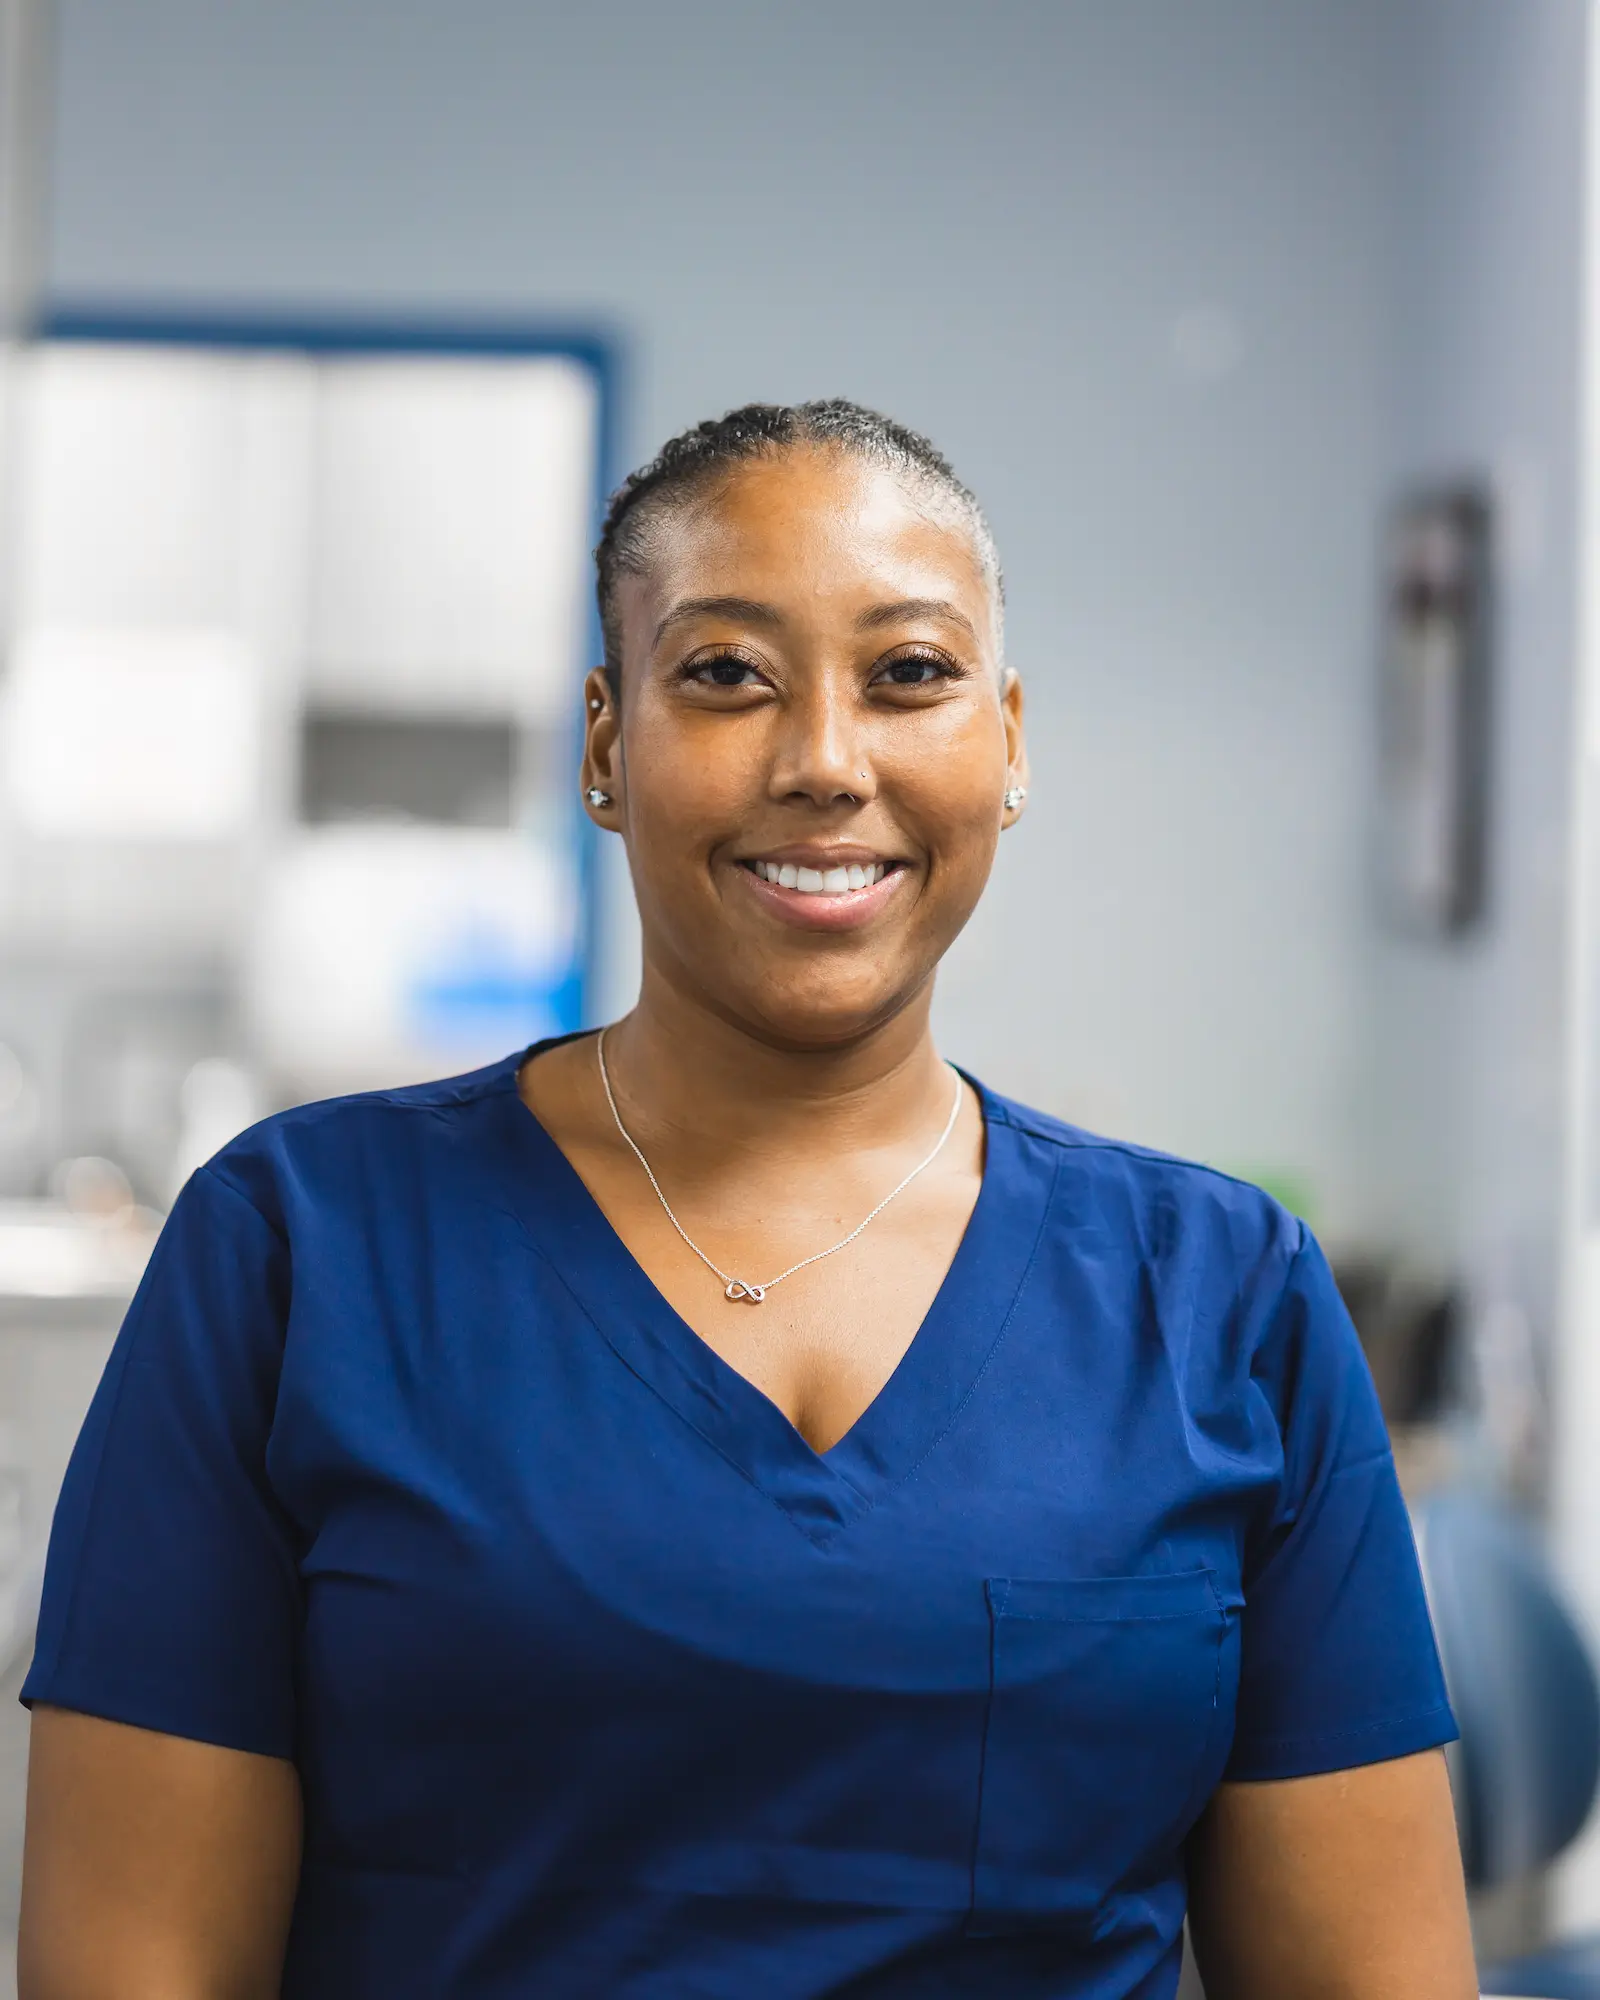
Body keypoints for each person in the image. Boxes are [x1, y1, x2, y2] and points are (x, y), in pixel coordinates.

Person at [18, 402, 1476, 2000]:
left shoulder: (1220, 1296)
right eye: (724, 674)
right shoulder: (301, 1253)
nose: (825, 762)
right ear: (603, 743)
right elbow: (129, 1967)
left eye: (910, 675)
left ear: (1008, 745)